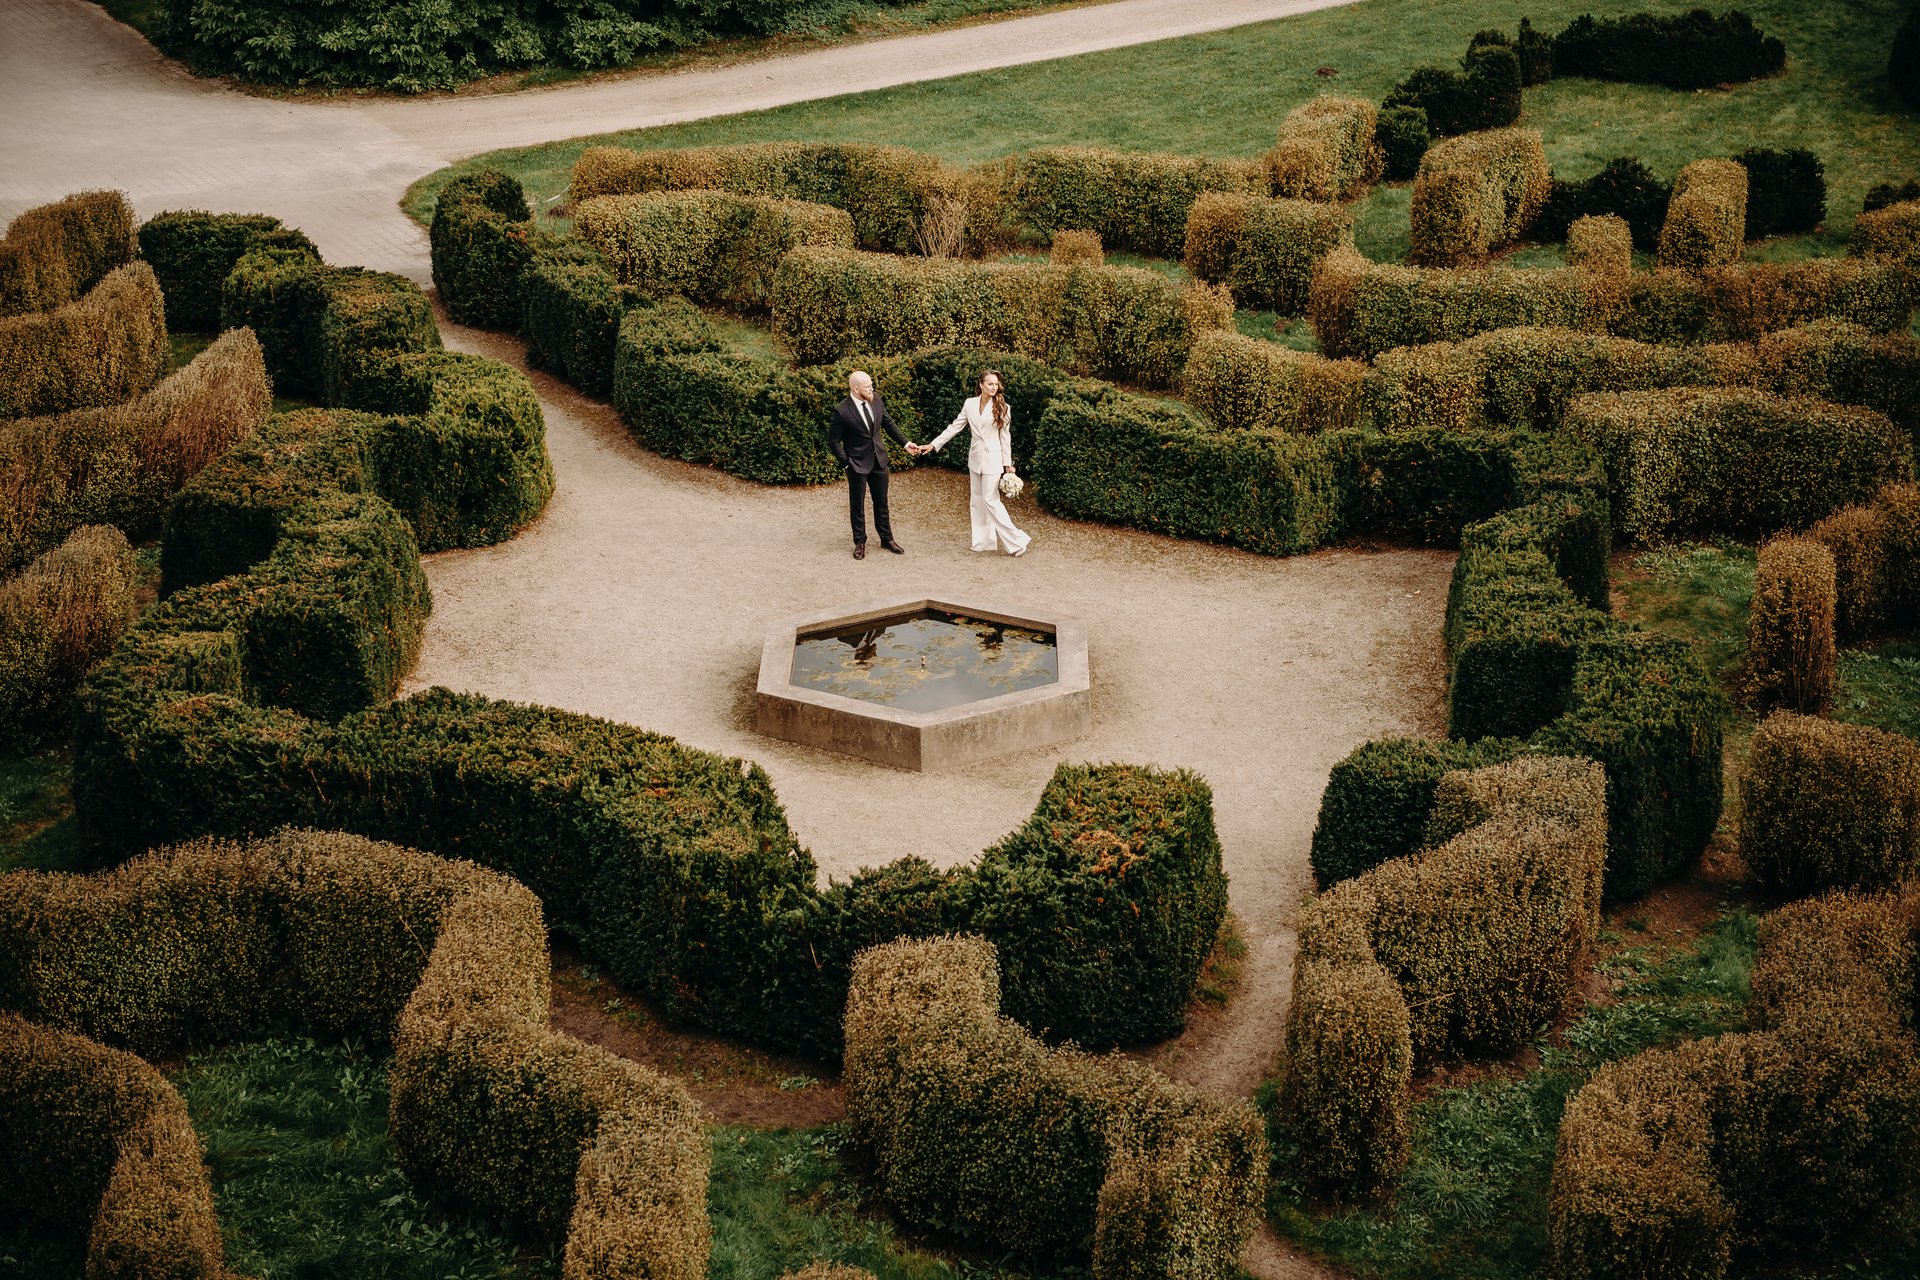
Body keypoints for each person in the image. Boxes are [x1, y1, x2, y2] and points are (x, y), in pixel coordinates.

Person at [908, 369, 1031, 556]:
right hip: (975, 459)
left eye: (996, 384)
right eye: (990, 384)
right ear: (981, 384)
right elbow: (954, 427)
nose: (994, 387)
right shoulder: (970, 404)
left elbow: (1005, 438)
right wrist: (933, 445)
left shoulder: (1003, 407)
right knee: (977, 501)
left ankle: (1017, 541)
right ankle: (983, 542)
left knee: (991, 501)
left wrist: (1008, 464)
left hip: (993, 460)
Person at [827, 370, 911, 559]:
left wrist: (906, 444)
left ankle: (886, 539)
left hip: (879, 461)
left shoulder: (876, 399)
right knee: (857, 504)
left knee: (882, 502)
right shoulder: (841, 410)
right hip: (856, 464)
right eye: (867, 385)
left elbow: (888, 423)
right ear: (855, 389)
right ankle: (860, 542)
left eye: (871, 384)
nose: (871, 387)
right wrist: (846, 464)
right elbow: (833, 441)